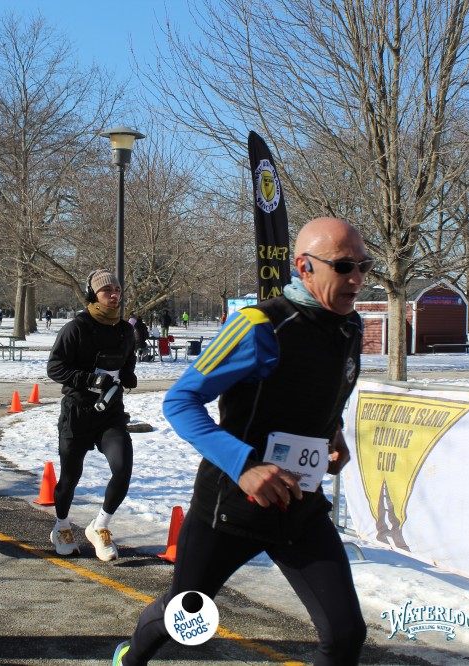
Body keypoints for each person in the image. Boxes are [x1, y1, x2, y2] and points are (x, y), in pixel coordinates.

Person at [113, 217, 368, 666]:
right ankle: (130, 659)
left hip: (299, 506)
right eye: (345, 266)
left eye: (364, 266)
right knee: (185, 618)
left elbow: (321, 395)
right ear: (304, 267)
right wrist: (245, 467)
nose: (357, 279)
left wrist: (334, 433)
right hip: (230, 508)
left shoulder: (351, 327)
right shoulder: (259, 325)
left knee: (346, 634)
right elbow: (181, 401)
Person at [47, 269, 137, 562]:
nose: (114, 295)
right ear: (92, 294)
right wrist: (90, 380)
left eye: (117, 290)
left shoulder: (125, 330)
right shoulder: (76, 328)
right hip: (78, 412)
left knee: (122, 468)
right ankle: (61, 526)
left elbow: (128, 360)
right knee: (70, 477)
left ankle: (99, 526)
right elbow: (55, 368)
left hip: (110, 413)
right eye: (106, 290)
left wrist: (128, 375)